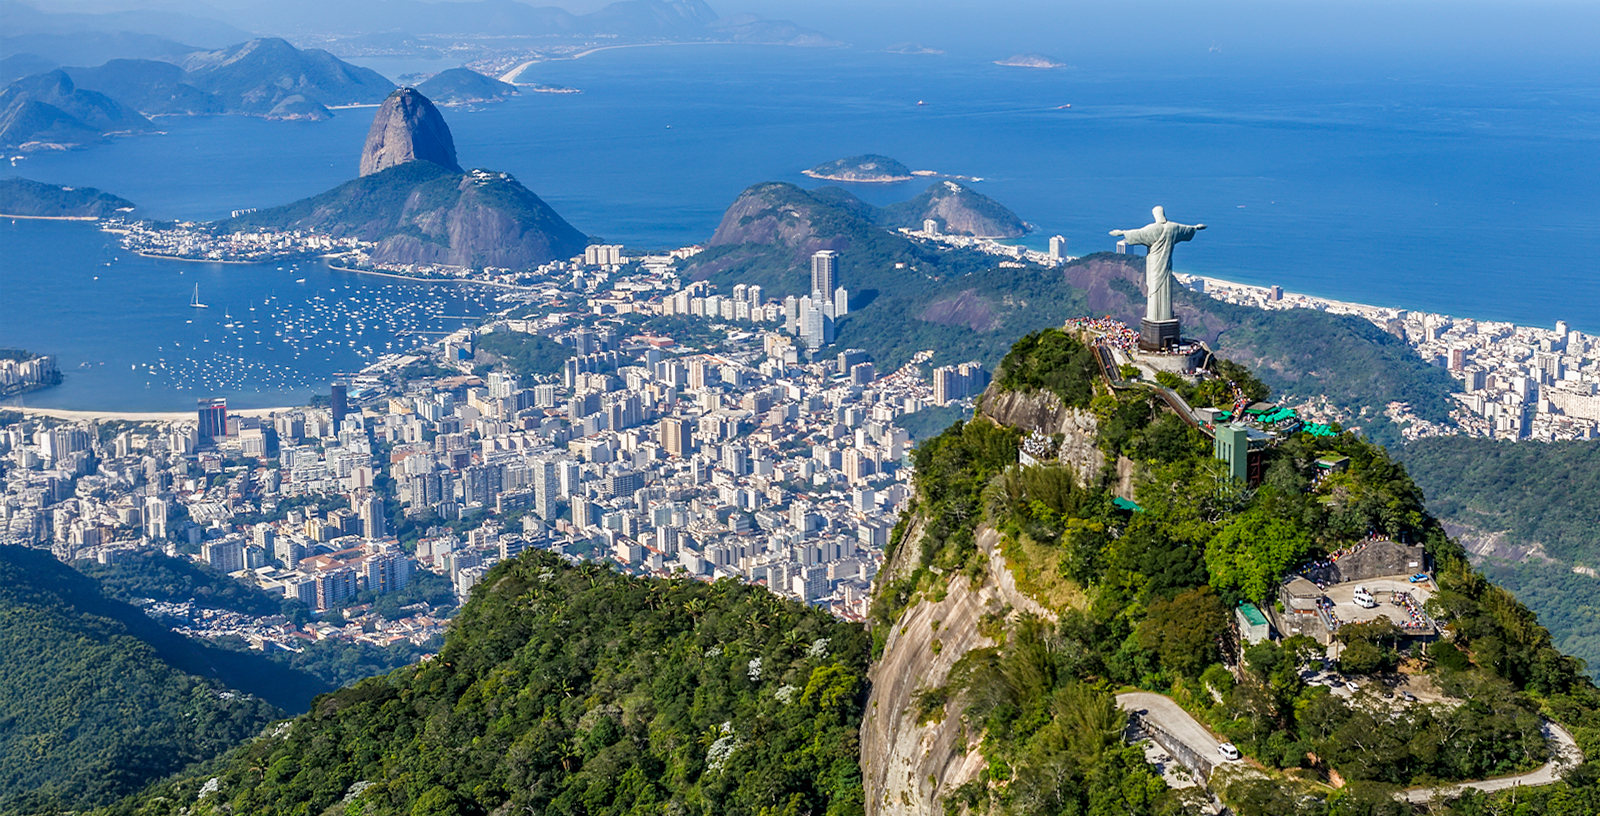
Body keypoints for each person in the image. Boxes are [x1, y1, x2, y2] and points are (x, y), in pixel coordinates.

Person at [1110, 206, 1206, 323]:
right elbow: (1186, 229)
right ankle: (1163, 316)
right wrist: (1196, 228)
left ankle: (1155, 317)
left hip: (1154, 265)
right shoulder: (1173, 227)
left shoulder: (1152, 229)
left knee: (1153, 288)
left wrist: (1122, 232)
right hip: (1166, 263)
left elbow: (1138, 234)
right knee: (1164, 287)